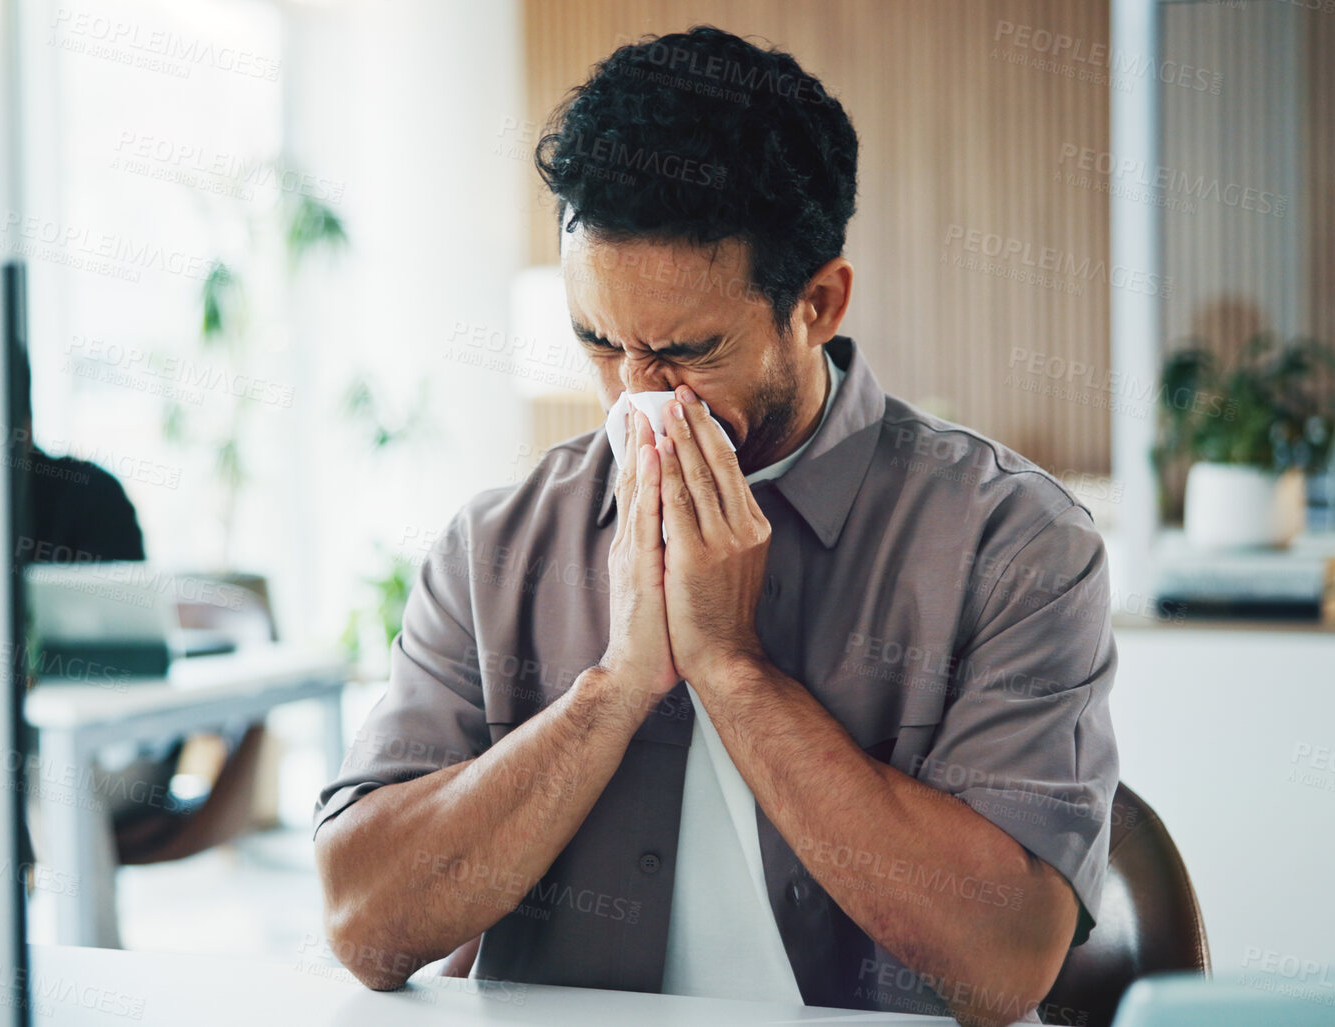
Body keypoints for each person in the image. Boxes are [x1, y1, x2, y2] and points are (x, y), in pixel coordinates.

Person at [314, 26, 1117, 1027]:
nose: (632, 395)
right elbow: (364, 922)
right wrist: (611, 690)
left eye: (686, 350)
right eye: (597, 341)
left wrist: (733, 668)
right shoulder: (497, 547)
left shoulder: (1016, 546)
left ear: (817, 303)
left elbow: (1001, 966)